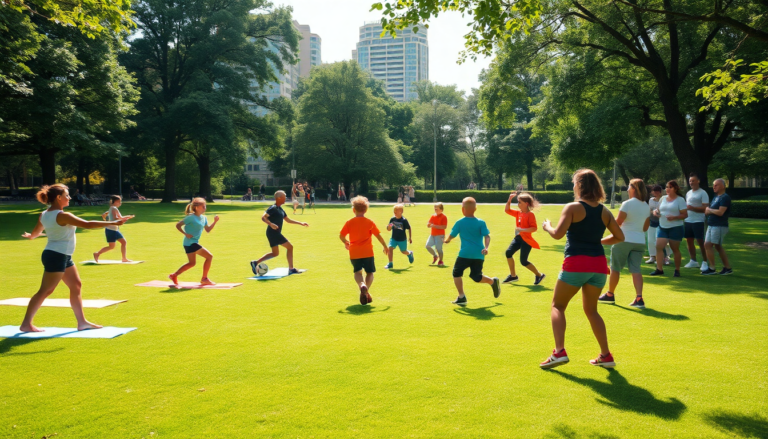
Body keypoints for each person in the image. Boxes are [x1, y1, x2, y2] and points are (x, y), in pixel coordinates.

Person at [539, 169, 624, 369]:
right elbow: (620, 237)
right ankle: (606, 355)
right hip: (599, 267)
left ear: (579, 185)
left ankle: (559, 352)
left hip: (577, 264)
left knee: (557, 306)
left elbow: (558, 234)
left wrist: (547, 226)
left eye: (574, 183)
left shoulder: (572, 207)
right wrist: (596, 241)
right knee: (592, 311)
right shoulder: (604, 211)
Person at [19, 184, 130, 332]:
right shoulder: (63, 215)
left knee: (76, 285)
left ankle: (82, 322)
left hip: (61, 255)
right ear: (59, 198)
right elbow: (87, 224)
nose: (70, 197)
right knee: (45, 290)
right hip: (57, 256)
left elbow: (36, 232)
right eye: (67, 195)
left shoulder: (44, 214)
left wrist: (30, 236)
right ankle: (26, 324)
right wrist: (113, 222)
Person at [599, 179, 650, 308]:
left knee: (615, 268)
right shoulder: (646, 205)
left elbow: (618, 223)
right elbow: (645, 228)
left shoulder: (627, 204)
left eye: (628, 187)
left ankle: (610, 294)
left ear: (633, 188)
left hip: (623, 240)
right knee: (636, 270)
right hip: (639, 241)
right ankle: (639, 298)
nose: (627, 189)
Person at [443, 197, 501, 306]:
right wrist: (486, 247)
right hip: (478, 255)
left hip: (464, 254)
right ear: (475, 209)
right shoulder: (481, 222)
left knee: (456, 273)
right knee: (476, 277)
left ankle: (461, 296)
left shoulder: (460, 222)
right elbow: (487, 236)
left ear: (462, 209)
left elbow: (452, 235)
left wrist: (447, 240)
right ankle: (492, 281)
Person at [339, 196, 388, 305]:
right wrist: (385, 246)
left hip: (354, 252)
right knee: (370, 272)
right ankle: (367, 290)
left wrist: (346, 242)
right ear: (365, 210)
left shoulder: (349, 222)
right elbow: (378, 236)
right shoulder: (369, 222)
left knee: (357, 271)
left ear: (353, 210)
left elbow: (341, 236)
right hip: (367, 252)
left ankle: (362, 285)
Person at [250, 190, 309, 275]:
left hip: (274, 233)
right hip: (273, 233)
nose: (286, 198)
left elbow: (288, 220)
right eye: (284, 197)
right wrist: (271, 224)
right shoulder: (273, 208)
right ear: (279, 198)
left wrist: (301, 223)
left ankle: (255, 262)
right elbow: (263, 217)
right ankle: (291, 269)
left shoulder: (280, 209)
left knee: (275, 253)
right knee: (290, 247)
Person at [169, 197, 220, 286]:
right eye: (203, 206)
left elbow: (207, 230)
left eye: (205, 206)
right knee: (209, 256)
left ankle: (174, 275)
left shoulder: (204, 218)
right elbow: (178, 225)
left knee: (192, 263)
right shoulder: (191, 217)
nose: (205, 208)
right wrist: (185, 234)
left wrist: (215, 222)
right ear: (196, 207)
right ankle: (204, 278)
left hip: (191, 243)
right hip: (190, 243)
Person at [503, 191, 545, 285]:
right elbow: (507, 210)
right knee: (508, 253)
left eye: (519, 202)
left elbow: (534, 228)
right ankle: (513, 276)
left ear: (526, 204)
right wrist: (509, 199)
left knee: (523, 261)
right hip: (518, 238)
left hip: (526, 241)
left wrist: (522, 229)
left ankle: (539, 275)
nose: (518, 204)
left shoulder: (530, 215)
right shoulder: (518, 213)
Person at [650, 180, 687, 277]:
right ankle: (659, 269)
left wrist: (674, 217)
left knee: (675, 249)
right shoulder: (663, 198)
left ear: (675, 188)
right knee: (658, 246)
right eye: (666, 187)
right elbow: (657, 209)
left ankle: (677, 270)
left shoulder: (680, 200)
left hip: (675, 228)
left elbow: (685, 215)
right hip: (662, 227)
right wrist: (655, 213)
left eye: (670, 187)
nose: (667, 189)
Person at [702, 178, 733, 275]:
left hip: (719, 225)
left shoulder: (725, 197)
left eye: (716, 185)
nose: (714, 187)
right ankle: (717, 267)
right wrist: (708, 210)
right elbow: (711, 210)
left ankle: (717, 268)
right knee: (708, 245)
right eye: (714, 185)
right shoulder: (716, 197)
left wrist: (709, 210)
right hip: (712, 224)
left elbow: (720, 212)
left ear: (723, 186)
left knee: (716, 246)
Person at [93, 195, 134, 263]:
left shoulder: (112, 208)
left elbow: (119, 217)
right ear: (115, 201)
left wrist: (127, 217)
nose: (120, 203)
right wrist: (124, 219)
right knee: (111, 246)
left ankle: (124, 258)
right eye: (119, 201)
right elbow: (115, 218)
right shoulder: (113, 208)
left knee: (123, 242)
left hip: (114, 229)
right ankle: (97, 254)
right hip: (111, 230)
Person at [683, 173, 710, 271]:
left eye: (693, 181)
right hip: (688, 220)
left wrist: (692, 208)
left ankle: (705, 262)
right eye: (690, 181)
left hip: (698, 220)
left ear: (698, 181)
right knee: (689, 241)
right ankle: (693, 261)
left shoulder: (703, 193)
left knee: (700, 242)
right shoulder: (688, 193)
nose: (691, 183)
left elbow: (706, 208)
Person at [645, 185, 671, 266]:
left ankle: (666, 257)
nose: (655, 193)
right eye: (654, 191)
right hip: (652, 221)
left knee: (662, 242)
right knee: (650, 240)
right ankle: (652, 256)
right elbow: (649, 210)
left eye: (657, 191)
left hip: (662, 222)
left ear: (660, 191)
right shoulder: (651, 200)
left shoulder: (664, 199)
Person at [384, 204, 414, 269]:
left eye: (396, 211)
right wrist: (388, 227)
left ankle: (409, 253)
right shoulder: (392, 219)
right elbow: (388, 229)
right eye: (394, 211)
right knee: (390, 248)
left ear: (401, 212)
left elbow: (409, 228)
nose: (395, 213)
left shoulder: (404, 220)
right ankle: (390, 263)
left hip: (402, 239)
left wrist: (410, 237)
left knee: (403, 251)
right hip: (394, 238)